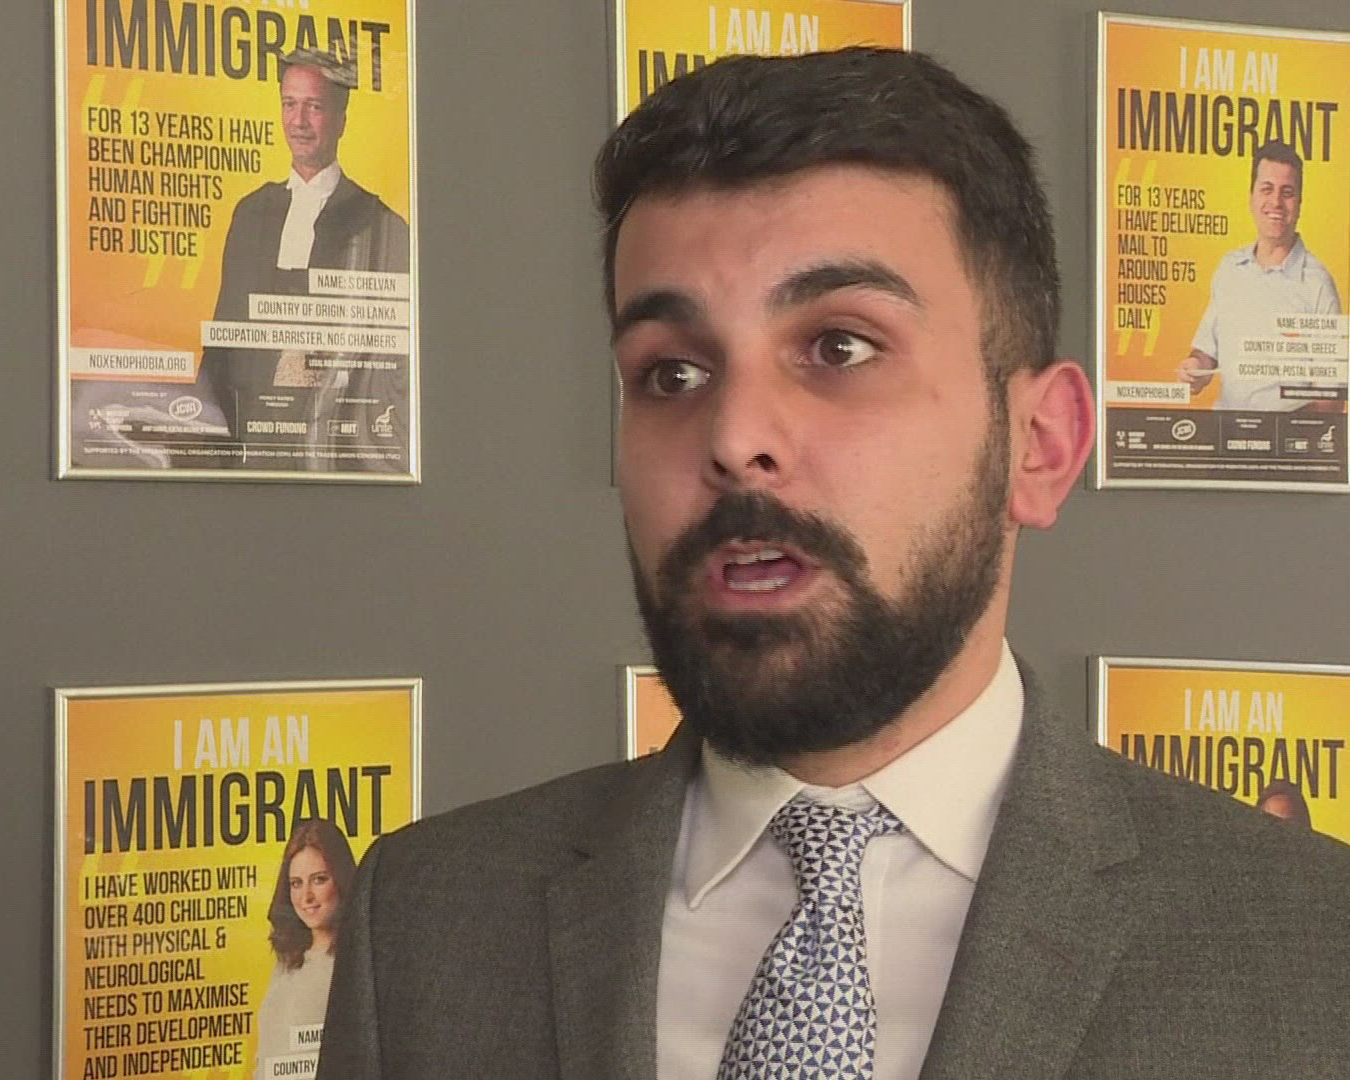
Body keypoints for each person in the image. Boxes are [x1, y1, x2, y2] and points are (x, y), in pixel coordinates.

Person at [317, 49, 1350, 1080]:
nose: (736, 438)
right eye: (672, 372)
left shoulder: (1315, 948)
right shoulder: (422, 921)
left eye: (840, 347)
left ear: (1039, 446)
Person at [194, 48, 411, 472]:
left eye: (314, 106)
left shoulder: (382, 226)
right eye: (289, 104)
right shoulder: (250, 213)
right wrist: (205, 447)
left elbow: (394, 368)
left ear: (341, 119)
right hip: (249, 448)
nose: (299, 121)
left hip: (335, 452)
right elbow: (222, 341)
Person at [1178, 140, 1343, 412]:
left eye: (1287, 192)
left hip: (1285, 436)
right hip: (1223, 430)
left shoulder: (1319, 286)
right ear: (1252, 197)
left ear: (1299, 203)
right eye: (1267, 189)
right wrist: (1195, 367)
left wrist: (1275, 432)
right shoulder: (1229, 269)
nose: (1276, 202)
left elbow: (1331, 399)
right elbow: (1206, 351)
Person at [253, 819, 358, 1076]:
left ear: (341, 880)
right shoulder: (287, 961)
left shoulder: (356, 962)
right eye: (296, 883)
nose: (306, 897)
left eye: (319, 880)